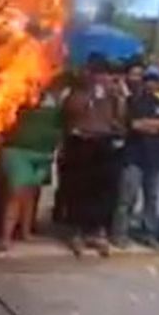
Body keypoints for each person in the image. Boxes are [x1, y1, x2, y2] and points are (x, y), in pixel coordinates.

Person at [60, 56, 125, 257]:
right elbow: (71, 112)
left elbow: (120, 118)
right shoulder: (77, 93)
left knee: (104, 190)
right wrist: (91, 97)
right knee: (80, 189)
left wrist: (120, 98)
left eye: (105, 74)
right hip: (81, 143)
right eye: (98, 74)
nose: (102, 78)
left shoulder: (112, 95)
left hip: (103, 142)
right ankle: (77, 232)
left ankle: (98, 231)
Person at [113, 66, 159, 248]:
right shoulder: (132, 102)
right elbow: (134, 124)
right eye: (148, 80)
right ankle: (120, 234)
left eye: (155, 80)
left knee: (152, 199)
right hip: (134, 157)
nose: (151, 84)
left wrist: (150, 124)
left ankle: (149, 233)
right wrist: (154, 125)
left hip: (155, 159)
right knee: (127, 198)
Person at [0, 91, 61, 250]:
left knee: (30, 194)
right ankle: (6, 238)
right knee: (16, 194)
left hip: (43, 154)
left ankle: (26, 233)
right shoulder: (15, 101)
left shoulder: (55, 103)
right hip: (18, 152)